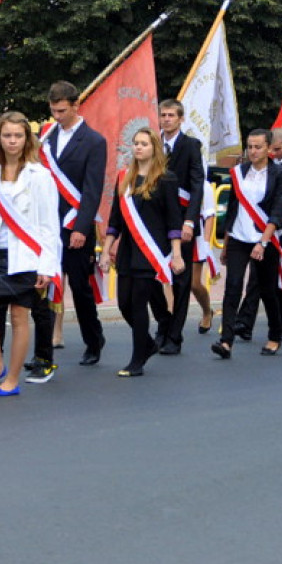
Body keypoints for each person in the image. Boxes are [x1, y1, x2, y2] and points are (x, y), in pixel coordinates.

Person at [0, 112, 60, 395]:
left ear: (27, 139)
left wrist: (47, 266)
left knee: (20, 316)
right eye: (7, 135)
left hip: (26, 256)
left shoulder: (40, 176)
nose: (12, 141)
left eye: (18, 136)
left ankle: (13, 379)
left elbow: (49, 224)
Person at [32, 81, 107, 375]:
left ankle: (93, 339)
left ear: (76, 106)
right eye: (53, 110)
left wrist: (82, 227)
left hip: (74, 224)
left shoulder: (93, 141)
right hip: (48, 224)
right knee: (44, 288)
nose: (57, 116)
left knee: (79, 287)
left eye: (62, 110)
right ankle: (43, 351)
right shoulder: (48, 137)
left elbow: (92, 190)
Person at [100, 129, 184, 376]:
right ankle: (147, 343)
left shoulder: (166, 179)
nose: (138, 147)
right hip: (128, 250)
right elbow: (115, 219)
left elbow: (173, 220)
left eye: (144, 144)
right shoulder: (124, 178)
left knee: (138, 304)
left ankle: (137, 360)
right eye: (135, 143)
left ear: (154, 148)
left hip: (152, 250)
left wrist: (176, 253)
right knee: (124, 303)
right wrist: (106, 251)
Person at [212, 128, 282, 360]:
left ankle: (275, 335)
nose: (253, 151)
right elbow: (233, 209)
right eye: (250, 147)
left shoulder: (279, 173)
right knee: (232, 286)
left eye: (258, 147)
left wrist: (262, 243)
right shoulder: (238, 172)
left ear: (268, 148)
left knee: (266, 290)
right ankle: (226, 341)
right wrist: (225, 243)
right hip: (238, 238)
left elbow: (277, 211)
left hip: (265, 239)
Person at [152, 99, 204, 355]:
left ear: (181, 119)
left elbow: (197, 186)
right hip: (155, 221)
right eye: (163, 115)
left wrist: (190, 221)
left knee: (180, 280)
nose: (167, 119)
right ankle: (163, 322)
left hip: (182, 220)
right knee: (152, 277)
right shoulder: (152, 144)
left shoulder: (191, 146)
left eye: (172, 115)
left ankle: (174, 335)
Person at [191, 181, 218, 334]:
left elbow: (210, 215)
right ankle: (169, 321)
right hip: (175, 235)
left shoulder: (204, 185)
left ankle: (207, 311)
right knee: (170, 282)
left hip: (197, 237)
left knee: (193, 284)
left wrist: (206, 243)